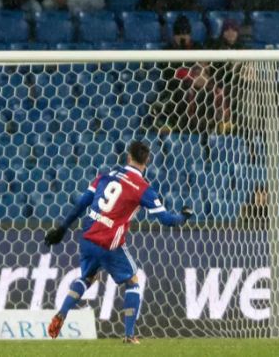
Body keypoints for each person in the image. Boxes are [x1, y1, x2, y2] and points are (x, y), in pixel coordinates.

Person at [44, 141, 193, 343]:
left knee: (86, 277)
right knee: (132, 282)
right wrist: (184, 217)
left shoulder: (106, 176)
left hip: (88, 237)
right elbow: (166, 219)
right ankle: (129, 335)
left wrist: (62, 229)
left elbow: (81, 203)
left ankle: (61, 312)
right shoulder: (144, 189)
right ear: (147, 161)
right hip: (109, 244)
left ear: (128, 157)